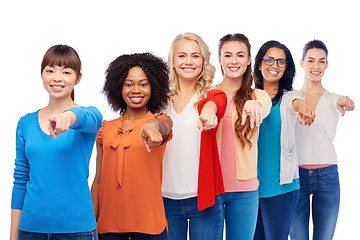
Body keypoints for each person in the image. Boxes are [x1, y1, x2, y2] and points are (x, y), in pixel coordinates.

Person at [10, 44, 103, 240]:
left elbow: (89, 117)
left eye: (66, 72)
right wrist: (13, 235)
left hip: (78, 230)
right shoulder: (25, 123)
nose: (57, 78)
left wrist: (69, 117)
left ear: (78, 78)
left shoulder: (88, 118)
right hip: (31, 228)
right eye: (50, 70)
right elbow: (21, 181)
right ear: (42, 74)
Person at [91, 52, 173, 240]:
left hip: (150, 227)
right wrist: (91, 222)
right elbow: (98, 181)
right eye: (129, 84)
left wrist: (151, 126)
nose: (136, 90)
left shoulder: (159, 122)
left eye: (143, 84)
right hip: (108, 228)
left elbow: (164, 124)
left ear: (153, 87)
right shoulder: (106, 129)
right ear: (119, 87)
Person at [161, 32, 227, 240]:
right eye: (182, 56)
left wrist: (208, 112)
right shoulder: (160, 101)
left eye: (195, 56)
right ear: (172, 61)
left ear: (203, 61)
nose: (188, 61)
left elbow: (215, 104)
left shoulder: (212, 95)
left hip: (204, 199)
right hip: (164, 199)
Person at [290, 40, 355, 240]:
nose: (316, 66)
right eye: (310, 60)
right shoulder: (291, 97)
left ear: (327, 64)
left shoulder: (332, 98)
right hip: (295, 176)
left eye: (321, 61)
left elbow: (342, 101)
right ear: (301, 63)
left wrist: (347, 101)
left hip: (327, 176)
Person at [253, 40, 315, 240]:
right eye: (269, 59)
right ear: (260, 63)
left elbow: (297, 103)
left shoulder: (289, 97)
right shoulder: (248, 97)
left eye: (281, 62)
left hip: (282, 188)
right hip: (249, 190)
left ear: (287, 67)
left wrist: (304, 109)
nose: (275, 65)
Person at [215, 33, 272, 240]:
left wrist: (253, 103)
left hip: (244, 192)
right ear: (219, 59)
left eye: (240, 55)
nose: (233, 61)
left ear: (249, 60)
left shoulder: (259, 95)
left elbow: (263, 107)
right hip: (211, 188)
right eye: (227, 55)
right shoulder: (207, 95)